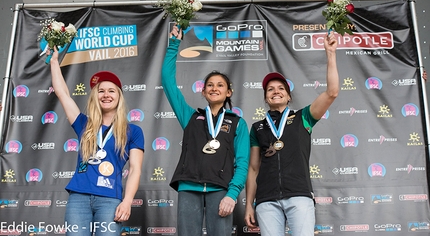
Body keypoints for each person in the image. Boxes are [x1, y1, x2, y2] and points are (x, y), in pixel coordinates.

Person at [244, 32, 339, 236]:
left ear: (288, 96)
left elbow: (332, 92)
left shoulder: (304, 117)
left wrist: (330, 54)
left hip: (299, 195)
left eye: (280, 88)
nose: (275, 91)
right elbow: (252, 169)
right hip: (266, 198)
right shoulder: (257, 127)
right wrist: (249, 204)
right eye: (270, 89)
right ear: (266, 98)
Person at [161, 25, 250, 236]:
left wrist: (232, 193)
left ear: (228, 92)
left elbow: (243, 162)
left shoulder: (238, 123)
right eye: (210, 85)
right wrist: (174, 44)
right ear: (203, 91)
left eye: (220, 85)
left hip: (220, 189)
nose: (214, 88)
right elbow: (168, 83)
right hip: (189, 187)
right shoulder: (190, 117)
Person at [49, 48, 144, 236]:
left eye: (111, 91)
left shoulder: (133, 131)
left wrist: (127, 201)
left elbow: (135, 169)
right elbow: (62, 93)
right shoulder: (84, 123)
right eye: (101, 91)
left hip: (110, 200)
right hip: (79, 198)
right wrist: (54, 61)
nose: (106, 95)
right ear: (95, 96)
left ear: (119, 96)